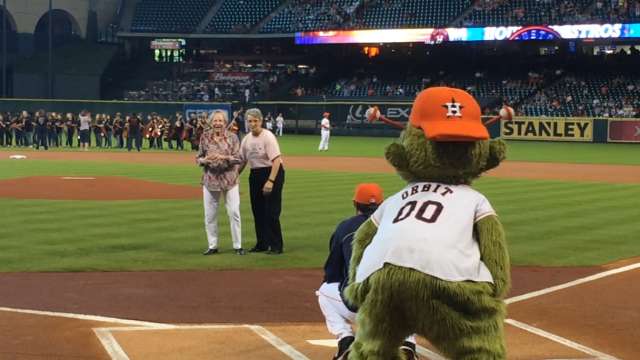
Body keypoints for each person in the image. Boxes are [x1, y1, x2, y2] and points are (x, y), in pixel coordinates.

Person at [316, 183, 417, 360]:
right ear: (382, 204)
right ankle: (408, 344)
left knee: (324, 292)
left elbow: (331, 273)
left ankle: (345, 340)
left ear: (355, 204)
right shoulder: (399, 225)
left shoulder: (344, 228)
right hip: (397, 310)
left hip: (361, 309)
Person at [197, 110, 245, 256]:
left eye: (221, 121)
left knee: (234, 212)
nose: (218, 123)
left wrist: (223, 157)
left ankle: (238, 246)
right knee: (210, 215)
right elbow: (198, 157)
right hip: (210, 180)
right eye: (215, 121)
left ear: (225, 122)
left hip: (229, 179)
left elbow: (239, 158)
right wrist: (204, 160)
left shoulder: (233, 137)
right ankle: (213, 245)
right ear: (211, 122)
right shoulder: (205, 137)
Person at [239, 108, 285, 255]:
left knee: (271, 211)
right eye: (250, 121)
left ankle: (276, 245)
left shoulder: (268, 137)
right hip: (255, 173)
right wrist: (234, 175)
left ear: (261, 121)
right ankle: (262, 243)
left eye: (255, 121)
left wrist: (270, 181)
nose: (253, 124)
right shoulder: (246, 139)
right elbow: (242, 161)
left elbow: (276, 161)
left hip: (272, 172)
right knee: (257, 211)